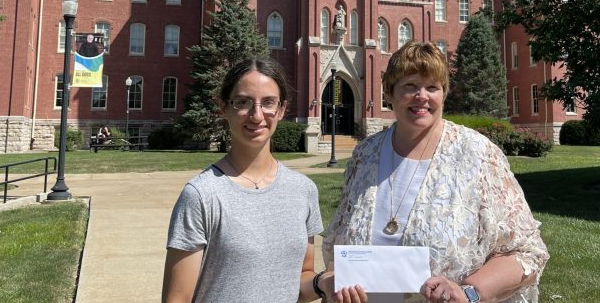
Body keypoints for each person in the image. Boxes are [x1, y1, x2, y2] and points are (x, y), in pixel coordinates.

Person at [320, 42, 549, 303]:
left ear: (443, 94)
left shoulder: (477, 154)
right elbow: (338, 249)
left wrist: (468, 292)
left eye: (432, 87)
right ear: (389, 93)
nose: (422, 96)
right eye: (410, 86)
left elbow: (528, 252)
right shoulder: (365, 156)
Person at [163, 58, 362, 302]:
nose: (257, 115)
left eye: (268, 103)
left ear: (281, 110)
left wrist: (323, 283)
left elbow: (299, 280)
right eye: (243, 102)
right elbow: (177, 298)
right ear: (224, 108)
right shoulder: (201, 194)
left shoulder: (303, 190)